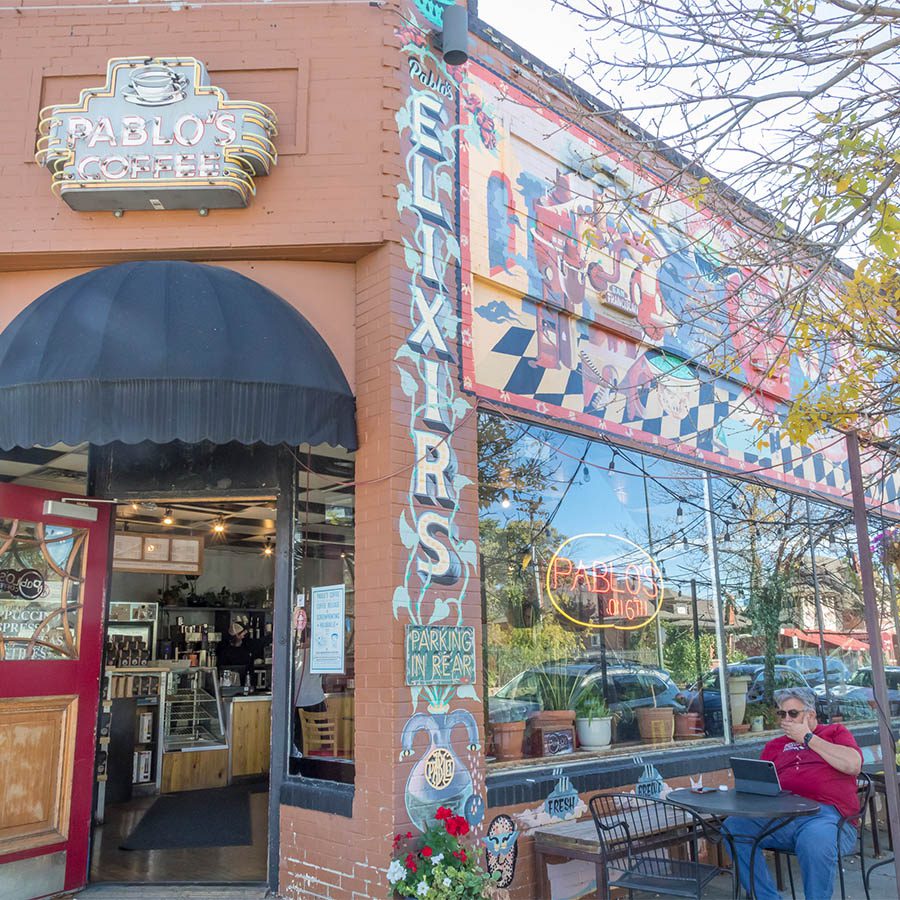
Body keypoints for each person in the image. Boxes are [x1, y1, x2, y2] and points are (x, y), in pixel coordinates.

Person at [723, 687, 862, 900]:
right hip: (782, 815)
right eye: (782, 714)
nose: (786, 719)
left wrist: (807, 738)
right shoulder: (775, 745)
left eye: (793, 714)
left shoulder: (834, 733)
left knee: (814, 840)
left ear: (811, 714)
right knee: (734, 827)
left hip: (828, 817)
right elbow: (763, 784)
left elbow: (853, 765)